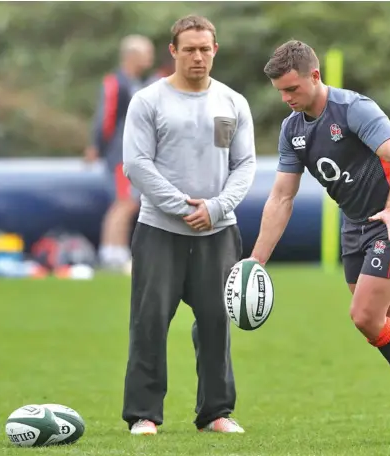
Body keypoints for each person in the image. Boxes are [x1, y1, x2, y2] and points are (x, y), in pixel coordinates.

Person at [245, 40, 390, 444]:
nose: (286, 99)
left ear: (315, 76)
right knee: (385, 319)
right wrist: (256, 259)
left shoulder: (354, 108)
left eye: (293, 89)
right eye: (281, 92)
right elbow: (282, 197)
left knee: (364, 316)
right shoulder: (292, 129)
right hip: (355, 225)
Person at [121, 15, 256, 436]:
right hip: (160, 230)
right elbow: (136, 165)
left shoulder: (233, 102)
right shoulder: (148, 101)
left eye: (205, 48)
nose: (198, 56)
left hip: (218, 231)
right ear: (173, 51)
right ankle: (144, 415)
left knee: (217, 321)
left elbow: (245, 164)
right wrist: (183, 207)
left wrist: (215, 208)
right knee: (149, 321)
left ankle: (216, 413)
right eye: (189, 48)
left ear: (215, 50)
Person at [84, 34, 155, 274]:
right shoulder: (117, 82)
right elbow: (106, 117)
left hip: (133, 152)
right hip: (119, 153)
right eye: (146, 53)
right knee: (123, 203)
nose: (150, 58)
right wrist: (97, 146)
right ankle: (112, 253)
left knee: (128, 203)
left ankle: (116, 252)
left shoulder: (137, 83)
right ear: (132, 55)